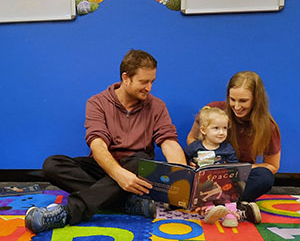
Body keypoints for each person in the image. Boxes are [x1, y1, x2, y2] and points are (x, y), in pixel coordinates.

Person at [25, 49, 187, 233]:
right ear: (126, 78)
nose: (149, 88)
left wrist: (183, 178)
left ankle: (68, 213)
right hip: (105, 168)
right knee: (52, 165)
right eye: (144, 82)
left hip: (136, 171)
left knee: (141, 160)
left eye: (152, 82)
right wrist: (118, 175)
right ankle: (125, 203)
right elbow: (97, 144)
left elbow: (169, 141)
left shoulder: (156, 106)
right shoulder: (97, 102)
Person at [187, 71, 281, 221]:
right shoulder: (213, 111)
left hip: (235, 179)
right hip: (207, 173)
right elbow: (191, 139)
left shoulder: (268, 127)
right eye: (232, 99)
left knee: (265, 177)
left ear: (256, 100)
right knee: (182, 175)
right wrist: (198, 158)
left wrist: (239, 170)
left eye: (243, 101)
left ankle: (217, 203)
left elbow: (272, 165)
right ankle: (236, 207)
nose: (236, 106)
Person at [185, 106, 260, 228]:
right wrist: (190, 164)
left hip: (223, 184)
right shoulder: (195, 147)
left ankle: (230, 215)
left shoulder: (227, 149)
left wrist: (229, 170)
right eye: (216, 128)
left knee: (231, 195)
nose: (222, 132)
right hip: (204, 186)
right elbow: (184, 158)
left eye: (224, 128)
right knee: (203, 192)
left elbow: (235, 168)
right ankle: (210, 211)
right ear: (204, 130)